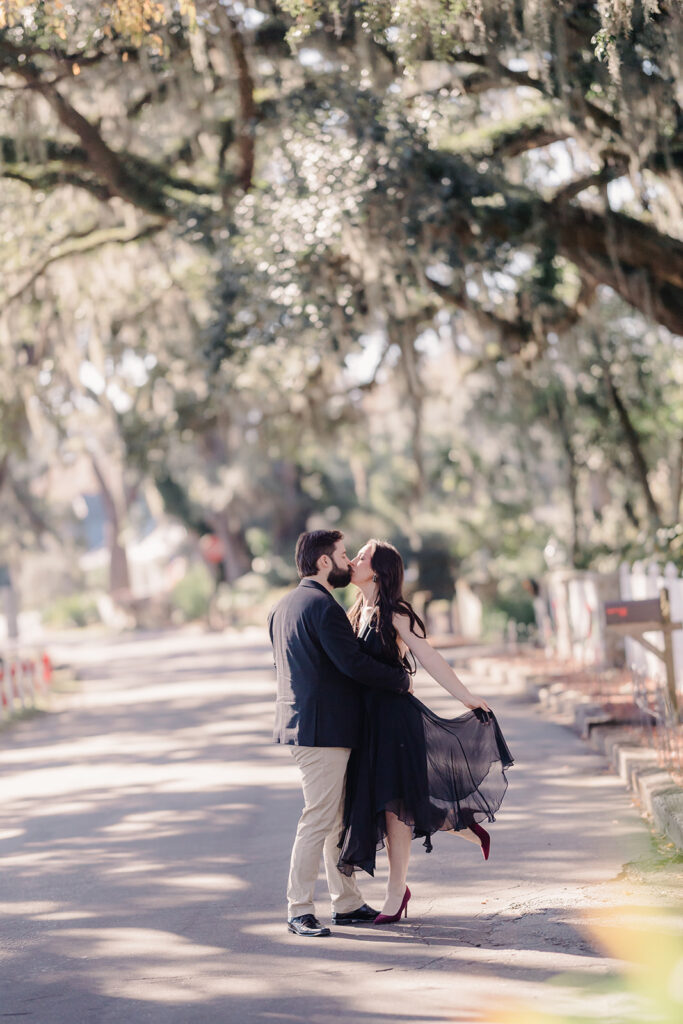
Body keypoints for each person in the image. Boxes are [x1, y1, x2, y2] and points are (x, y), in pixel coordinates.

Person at [338, 540, 513, 924]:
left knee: (395, 811)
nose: (352, 561)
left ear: (380, 570)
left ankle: (395, 893)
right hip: (367, 726)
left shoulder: (397, 613)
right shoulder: (353, 611)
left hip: (396, 722)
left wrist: (466, 697)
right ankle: (462, 824)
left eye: (361, 557)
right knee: (391, 804)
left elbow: (430, 658)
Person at [268, 529, 410, 938]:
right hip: (322, 732)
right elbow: (352, 664)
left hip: (306, 728)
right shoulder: (323, 607)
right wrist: (401, 682)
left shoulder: (282, 607)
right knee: (318, 818)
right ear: (324, 562)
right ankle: (298, 908)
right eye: (344, 555)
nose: (349, 562)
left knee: (335, 820)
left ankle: (345, 903)